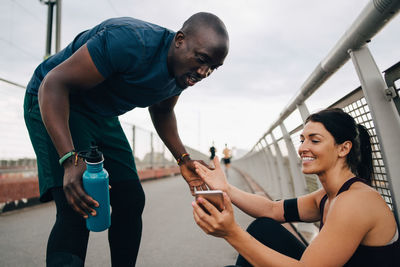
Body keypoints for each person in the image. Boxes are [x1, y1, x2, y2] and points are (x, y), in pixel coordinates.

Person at [24, 12, 229, 266]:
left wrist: (182, 158)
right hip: (56, 100)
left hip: (101, 114)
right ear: (179, 40)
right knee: (75, 207)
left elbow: (162, 110)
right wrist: (69, 160)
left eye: (213, 68)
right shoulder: (129, 42)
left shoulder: (183, 72)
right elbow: (53, 84)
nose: (203, 72)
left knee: (131, 200)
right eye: (201, 60)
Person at [192, 108, 399, 266]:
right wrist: (226, 188)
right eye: (302, 140)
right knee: (263, 228)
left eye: (314, 140)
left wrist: (231, 233)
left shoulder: (356, 201)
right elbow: (272, 210)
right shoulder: (328, 196)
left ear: (344, 148)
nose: (302, 148)